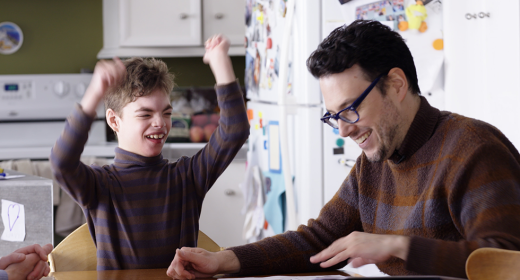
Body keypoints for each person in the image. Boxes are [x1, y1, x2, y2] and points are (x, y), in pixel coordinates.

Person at [166, 20, 520, 279]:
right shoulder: (377, 158)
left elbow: (506, 259)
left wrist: (398, 246)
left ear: (396, 84)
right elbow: (320, 239)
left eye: (351, 109)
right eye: (333, 116)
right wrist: (224, 260)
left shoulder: (473, 149)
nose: (344, 129)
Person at [49, 35, 249, 270]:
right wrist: (94, 93)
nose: (160, 123)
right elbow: (61, 163)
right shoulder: (100, 184)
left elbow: (235, 129)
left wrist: (220, 62)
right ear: (114, 120)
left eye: (166, 113)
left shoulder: (188, 176)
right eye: (145, 114)